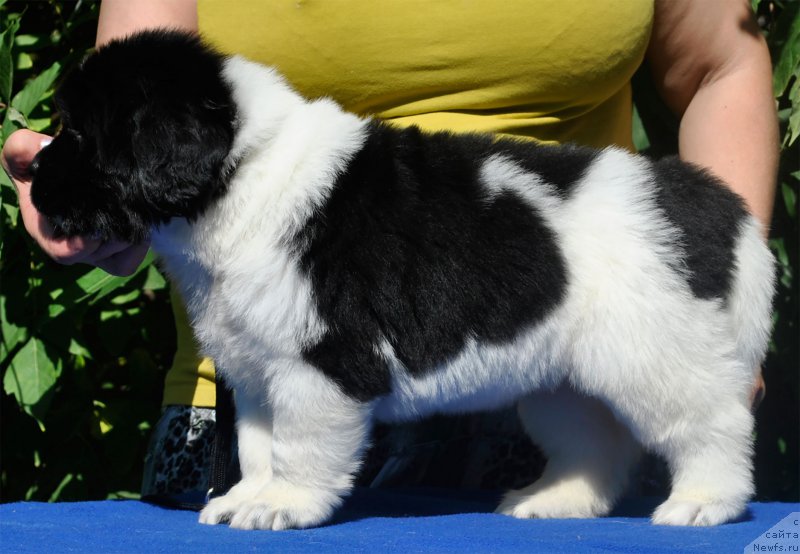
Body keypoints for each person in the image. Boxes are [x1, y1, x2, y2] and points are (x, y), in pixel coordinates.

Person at [2, 0, 777, 503]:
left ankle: (601, 466)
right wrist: (100, 208)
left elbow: (723, 64)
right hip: (256, 421)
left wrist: (711, 323)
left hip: (575, 322)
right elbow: (134, 104)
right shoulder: (184, 123)